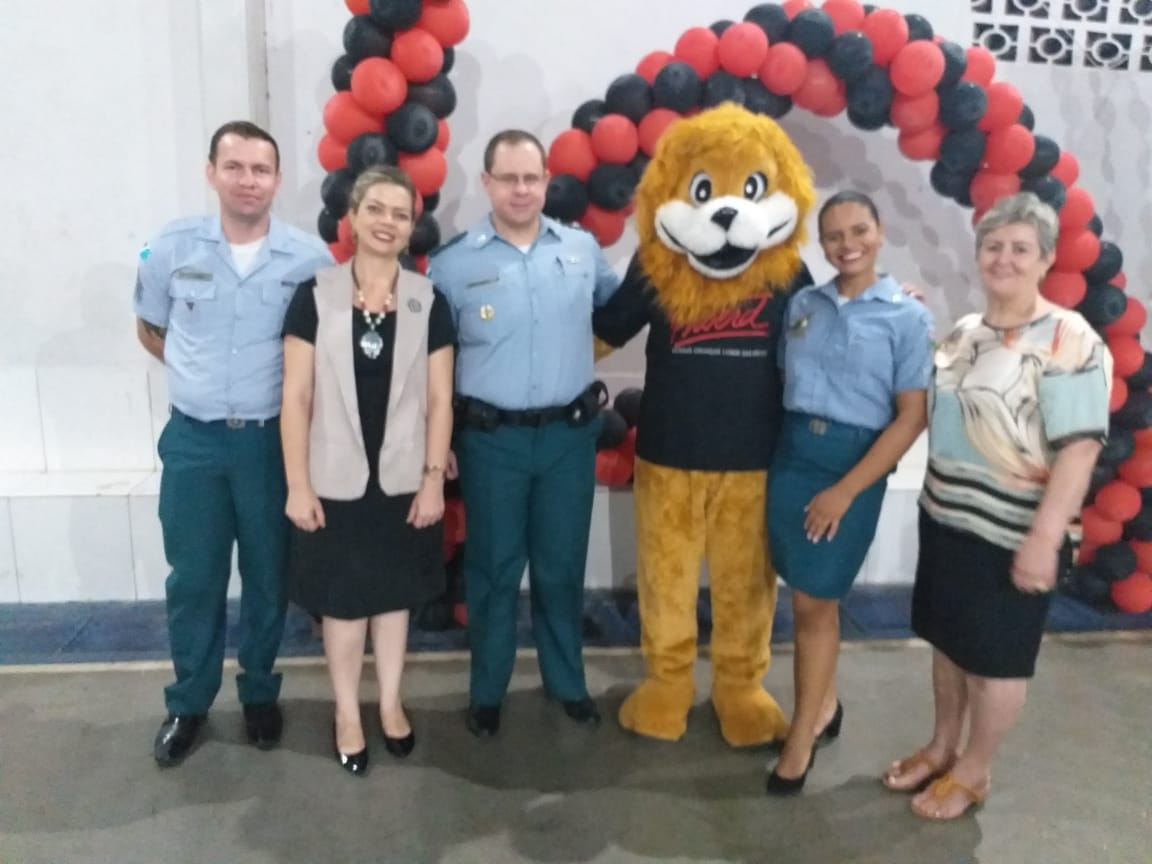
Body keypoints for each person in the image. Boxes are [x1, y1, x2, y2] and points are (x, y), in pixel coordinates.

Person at [882, 192, 1111, 820]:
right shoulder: (965, 333)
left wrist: (1043, 539)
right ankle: (941, 747)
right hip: (947, 519)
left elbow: (1080, 449)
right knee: (948, 643)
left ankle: (975, 770)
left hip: (1016, 532)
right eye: (993, 246)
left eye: (1020, 248)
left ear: (1046, 259)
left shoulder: (1070, 339)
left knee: (996, 661)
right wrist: (907, 315)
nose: (1003, 258)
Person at [134, 121, 333, 766]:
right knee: (194, 579)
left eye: (261, 169)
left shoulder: (310, 260)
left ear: (277, 179)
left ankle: (259, 694)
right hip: (194, 444)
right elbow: (151, 328)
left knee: (269, 577)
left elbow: (319, 354)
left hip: (271, 446)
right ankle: (189, 702)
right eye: (235, 167)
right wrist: (200, 381)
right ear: (211, 172)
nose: (248, 180)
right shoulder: (170, 248)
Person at [429, 129, 620, 737]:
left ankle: (567, 683)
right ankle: (487, 691)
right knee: (493, 570)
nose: (520, 189)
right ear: (487, 182)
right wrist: (440, 441)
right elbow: (433, 360)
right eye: (508, 178)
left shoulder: (582, 250)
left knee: (561, 568)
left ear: (546, 182)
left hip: (568, 438)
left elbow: (621, 310)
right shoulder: (452, 265)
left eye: (531, 178)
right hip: (492, 442)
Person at [280, 166, 455, 776]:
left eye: (400, 214)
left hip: (404, 480)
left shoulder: (428, 301)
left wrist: (432, 481)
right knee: (344, 604)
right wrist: (297, 485)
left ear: (412, 228)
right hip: (333, 479)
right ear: (351, 217)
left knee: (394, 601)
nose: (387, 222)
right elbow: (296, 397)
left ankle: (390, 703)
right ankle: (347, 712)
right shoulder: (314, 296)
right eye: (375, 209)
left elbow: (440, 400)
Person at [764, 192, 934, 795]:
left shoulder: (907, 317)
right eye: (834, 235)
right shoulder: (804, 304)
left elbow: (912, 416)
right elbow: (784, 378)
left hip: (852, 467)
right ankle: (826, 705)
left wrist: (845, 490)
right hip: (792, 458)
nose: (847, 244)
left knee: (815, 603)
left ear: (880, 232)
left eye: (859, 230)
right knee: (804, 593)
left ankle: (800, 739)